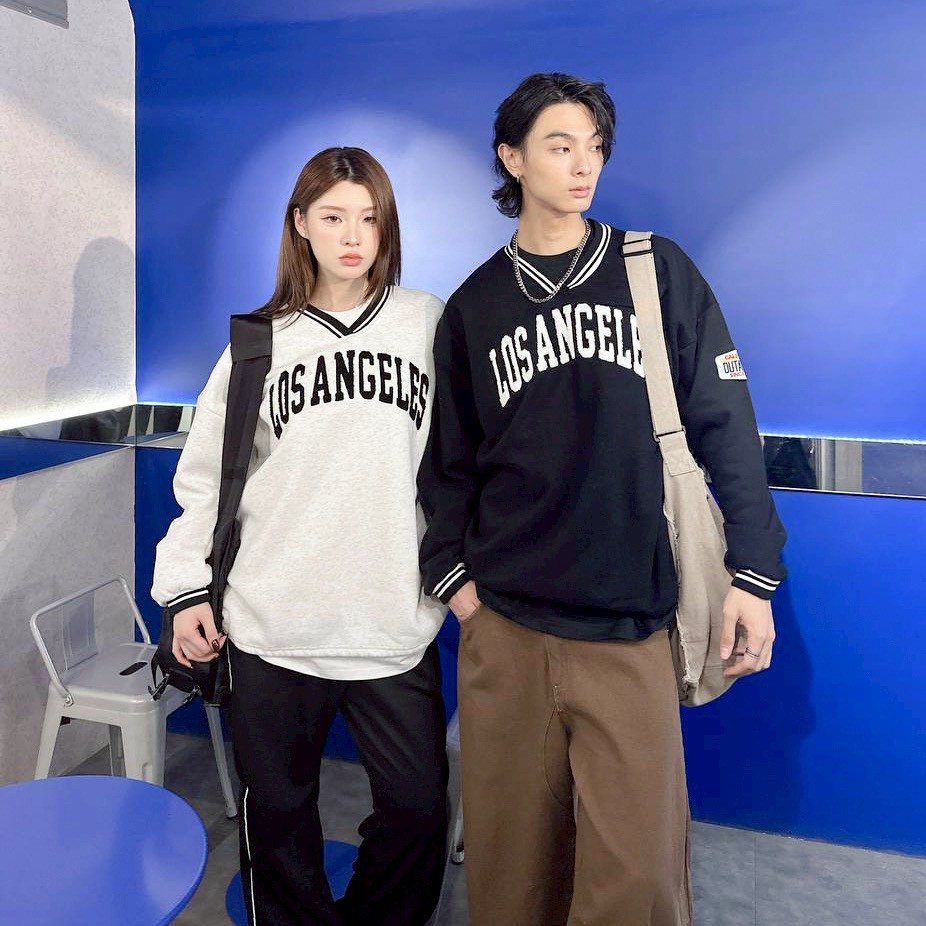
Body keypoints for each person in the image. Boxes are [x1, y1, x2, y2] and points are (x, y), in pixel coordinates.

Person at [418, 73, 786, 926]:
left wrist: (754, 572)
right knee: (512, 880)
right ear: (512, 157)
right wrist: (456, 584)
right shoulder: (474, 305)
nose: (584, 165)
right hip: (506, 628)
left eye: (594, 147)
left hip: (628, 625)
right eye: (560, 146)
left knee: (639, 883)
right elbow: (449, 466)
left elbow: (726, 423)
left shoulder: (655, 272)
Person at [152, 147, 449, 926]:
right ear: (300, 225)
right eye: (333, 216)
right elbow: (205, 481)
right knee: (279, 820)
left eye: (369, 218)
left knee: (418, 810)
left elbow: (464, 463)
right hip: (274, 623)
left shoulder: (427, 322)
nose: (353, 236)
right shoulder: (260, 341)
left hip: (391, 621)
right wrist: (184, 591)